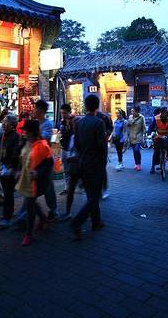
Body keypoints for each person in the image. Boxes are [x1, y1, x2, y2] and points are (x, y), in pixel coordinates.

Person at [71, 95, 107, 239]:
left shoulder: (79, 123)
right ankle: (77, 222)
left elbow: (77, 145)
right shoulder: (99, 123)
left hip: (83, 163)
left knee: (91, 194)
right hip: (95, 164)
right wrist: (103, 164)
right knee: (95, 196)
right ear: (97, 106)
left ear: (85, 106)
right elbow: (102, 147)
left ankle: (96, 221)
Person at [15, 119, 53, 246]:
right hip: (26, 179)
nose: (23, 133)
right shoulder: (27, 143)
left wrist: (38, 173)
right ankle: (43, 218)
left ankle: (29, 234)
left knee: (30, 205)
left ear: (31, 132)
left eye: (25, 131)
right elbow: (21, 158)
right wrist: (19, 170)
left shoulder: (42, 146)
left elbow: (48, 164)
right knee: (30, 201)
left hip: (36, 182)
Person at [33, 100, 58, 220]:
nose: (34, 111)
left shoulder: (48, 123)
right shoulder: (35, 123)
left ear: (41, 110)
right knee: (32, 188)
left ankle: (53, 210)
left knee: (48, 187)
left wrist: (34, 132)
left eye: (35, 108)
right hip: (35, 159)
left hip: (45, 160)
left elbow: (45, 138)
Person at [0, 114, 21, 228]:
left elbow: (16, 153)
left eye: (5, 122)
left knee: (8, 193)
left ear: (12, 125)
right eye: (3, 121)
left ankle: (7, 217)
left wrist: (12, 167)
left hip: (10, 169)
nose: (2, 123)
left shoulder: (16, 137)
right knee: (7, 192)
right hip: (2, 167)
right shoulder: (2, 136)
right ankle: (9, 211)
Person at [149, 107, 168, 174]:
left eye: (167, 113)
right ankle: (152, 167)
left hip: (167, 136)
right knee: (156, 151)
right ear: (161, 113)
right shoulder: (156, 118)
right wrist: (151, 133)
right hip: (159, 136)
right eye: (165, 113)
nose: (166, 115)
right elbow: (151, 126)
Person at [57, 104, 75, 195]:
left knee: (73, 168)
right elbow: (60, 133)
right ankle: (67, 187)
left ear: (69, 112)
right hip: (64, 148)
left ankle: (75, 185)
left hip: (72, 149)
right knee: (66, 168)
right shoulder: (62, 122)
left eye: (64, 113)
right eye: (61, 113)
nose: (63, 115)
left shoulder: (74, 121)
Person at [125, 106, 146, 171]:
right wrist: (131, 121)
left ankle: (139, 164)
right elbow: (128, 125)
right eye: (131, 111)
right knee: (134, 151)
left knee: (137, 150)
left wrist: (144, 135)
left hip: (138, 136)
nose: (132, 112)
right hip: (132, 136)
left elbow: (144, 127)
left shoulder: (141, 117)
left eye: (133, 111)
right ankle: (136, 163)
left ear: (137, 111)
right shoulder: (130, 117)